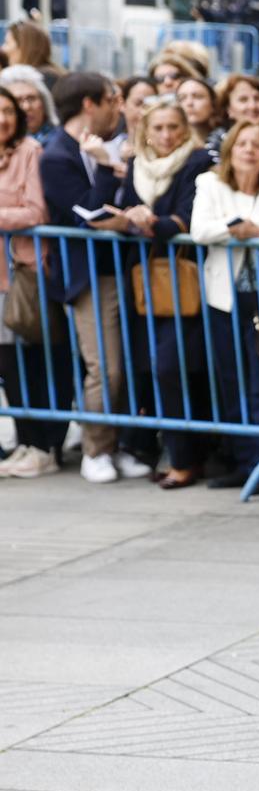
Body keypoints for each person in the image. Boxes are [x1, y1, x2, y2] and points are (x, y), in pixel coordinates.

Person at [43, 73, 149, 485]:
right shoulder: (56, 156)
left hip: (120, 266)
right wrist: (106, 170)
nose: (118, 108)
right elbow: (88, 215)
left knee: (124, 362)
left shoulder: (107, 145)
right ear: (89, 104)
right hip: (88, 275)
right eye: (111, 99)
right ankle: (96, 449)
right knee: (103, 365)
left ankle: (115, 443)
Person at [115, 98, 210, 488]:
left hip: (184, 280)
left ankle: (188, 457)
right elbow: (122, 207)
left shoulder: (197, 162)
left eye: (174, 127)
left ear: (185, 129)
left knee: (174, 368)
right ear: (145, 131)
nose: (166, 136)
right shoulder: (136, 166)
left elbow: (189, 217)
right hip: (143, 282)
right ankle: (160, 448)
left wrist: (153, 222)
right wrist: (127, 217)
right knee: (147, 367)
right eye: (158, 128)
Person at [191, 122, 259, 492]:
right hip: (225, 297)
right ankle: (244, 461)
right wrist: (239, 230)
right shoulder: (210, 184)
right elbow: (200, 230)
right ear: (231, 150)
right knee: (231, 378)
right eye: (242, 144)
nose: (249, 150)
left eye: (258, 145)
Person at [0, 87, 63, 481]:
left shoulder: (30, 153)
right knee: (7, 362)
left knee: (27, 357)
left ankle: (43, 444)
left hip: (22, 273)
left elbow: (36, 211)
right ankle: (25, 440)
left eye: (8, 111)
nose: (4, 118)